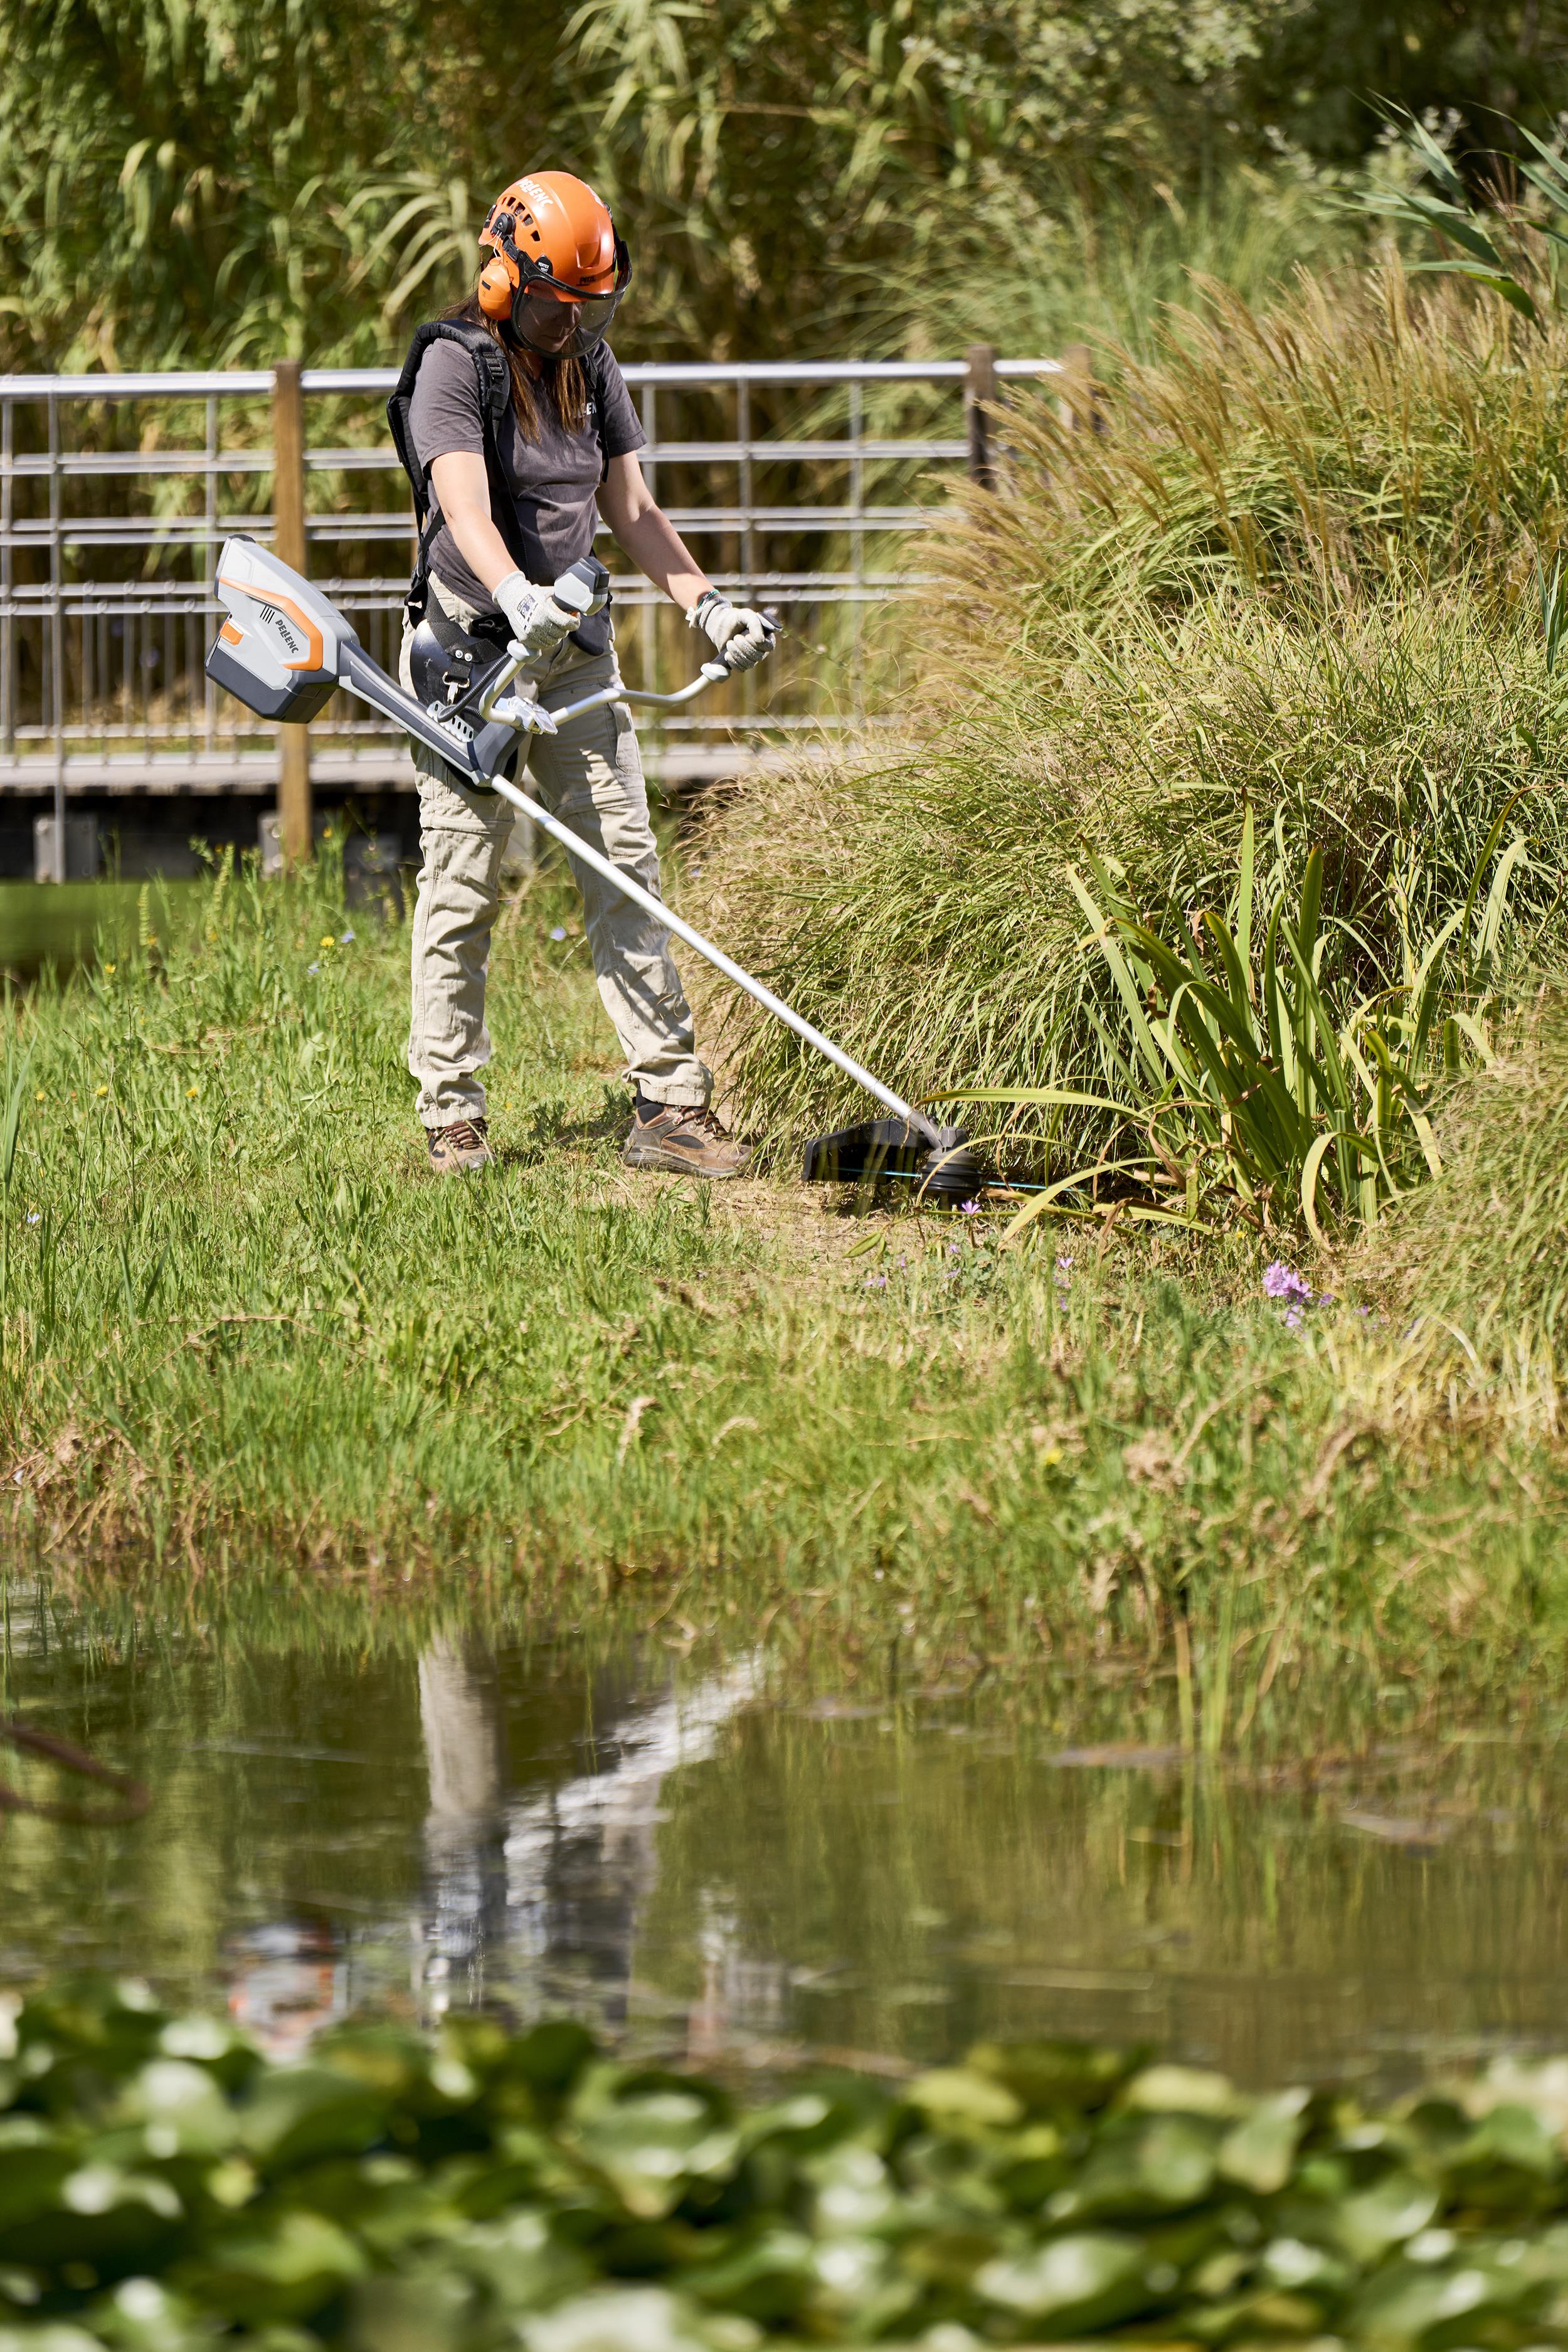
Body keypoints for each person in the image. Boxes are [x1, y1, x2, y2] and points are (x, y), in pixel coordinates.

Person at [389, 171, 776, 1179]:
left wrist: (707, 603)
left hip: (572, 655)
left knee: (624, 872)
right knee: (464, 882)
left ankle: (668, 1105)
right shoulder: (454, 365)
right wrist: (517, 591)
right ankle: (453, 1113)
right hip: (472, 654)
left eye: (596, 305)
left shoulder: (589, 364)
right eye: (565, 303)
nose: (580, 322)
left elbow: (635, 511)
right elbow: (463, 502)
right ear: (503, 282)